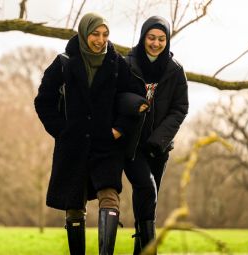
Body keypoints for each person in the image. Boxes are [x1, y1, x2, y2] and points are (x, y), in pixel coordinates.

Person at [34, 12, 138, 255]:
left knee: (110, 196)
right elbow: (43, 101)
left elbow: (132, 98)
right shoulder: (64, 62)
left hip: (107, 144)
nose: (100, 40)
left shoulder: (117, 63)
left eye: (105, 34)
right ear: (84, 33)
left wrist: (119, 129)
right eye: (95, 34)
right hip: (74, 145)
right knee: (73, 205)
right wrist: (62, 131)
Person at [123, 16, 189, 254]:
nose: (156, 43)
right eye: (151, 38)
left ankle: (139, 250)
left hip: (158, 147)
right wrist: (135, 103)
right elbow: (116, 97)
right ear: (143, 38)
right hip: (131, 145)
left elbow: (180, 108)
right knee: (147, 189)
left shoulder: (175, 71)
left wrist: (158, 140)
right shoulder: (126, 64)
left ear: (167, 40)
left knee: (147, 197)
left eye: (161, 39)